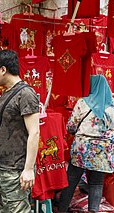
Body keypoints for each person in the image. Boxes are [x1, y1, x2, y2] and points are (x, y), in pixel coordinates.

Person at [0, 50, 40, 212]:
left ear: (3, 70)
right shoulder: (7, 92)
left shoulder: (26, 94)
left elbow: (34, 132)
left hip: (16, 169)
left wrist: (28, 169)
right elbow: (12, 123)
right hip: (1, 166)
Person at [58, 75, 114, 212]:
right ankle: (93, 210)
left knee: (71, 180)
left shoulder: (83, 103)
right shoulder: (112, 106)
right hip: (102, 150)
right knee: (96, 183)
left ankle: (62, 209)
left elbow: (71, 126)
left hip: (82, 148)